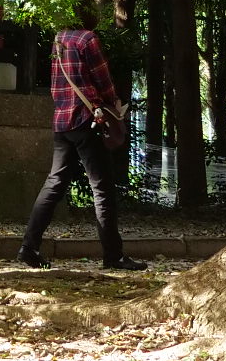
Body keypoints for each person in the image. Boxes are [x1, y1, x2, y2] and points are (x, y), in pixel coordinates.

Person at [20, 23, 145, 269]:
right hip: (87, 120)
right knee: (102, 190)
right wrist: (113, 103)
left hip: (62, 122)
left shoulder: (58, 38)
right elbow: (103, 80)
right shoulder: (88, 40)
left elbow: (59, 83)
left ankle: (29, 247)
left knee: (54, 183)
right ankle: (113, 256)